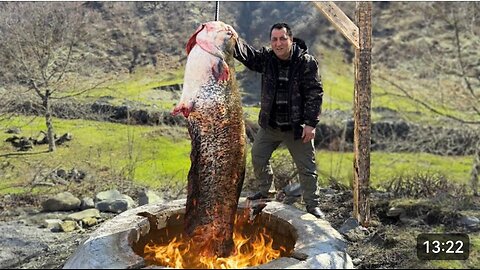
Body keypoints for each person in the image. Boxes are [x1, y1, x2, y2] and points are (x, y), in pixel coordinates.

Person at [233, 22, 325, 219]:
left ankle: (312, 205)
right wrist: (231, 39)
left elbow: (314, 93)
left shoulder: (306, 62)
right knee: (258, 156)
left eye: (283, 38)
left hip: (297, 128)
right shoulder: (267, 59)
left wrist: (310, 124)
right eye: (274, 39)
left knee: (307, 168)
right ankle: (267, 192)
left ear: (291, 39)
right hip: (271, 125)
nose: (278, 43)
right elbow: (249, 56)